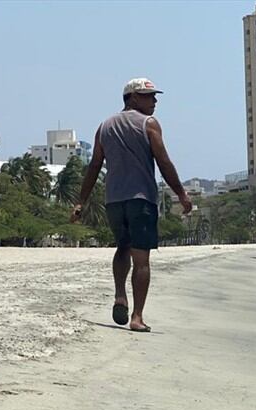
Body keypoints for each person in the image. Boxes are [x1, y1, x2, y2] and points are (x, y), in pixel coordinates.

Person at [72, 77, 192, 332]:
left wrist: (81, 201)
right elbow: (164, 162)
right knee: (142, 259)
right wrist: (181, 194)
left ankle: (119, 295)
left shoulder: (104, 127)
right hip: (141, 199)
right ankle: (137, 317)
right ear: (133, 98)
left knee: (122, 248)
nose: (155, 100)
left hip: (114, 200)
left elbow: (94, 166)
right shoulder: (148, 124)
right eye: (149, 96)